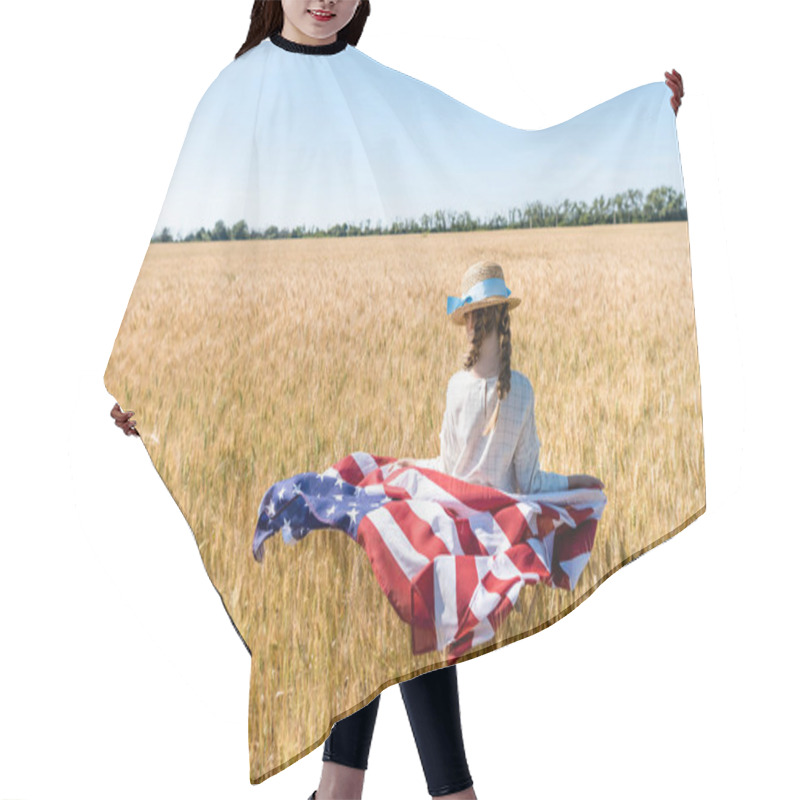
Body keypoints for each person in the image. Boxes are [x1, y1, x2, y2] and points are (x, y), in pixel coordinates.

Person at [108, 3, 683, 798]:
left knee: (389, 594)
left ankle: (352, 789)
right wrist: (153, 377)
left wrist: (637, 130)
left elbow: (492, 162)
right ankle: (415, 790)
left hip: (368, 389)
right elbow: (189, 244)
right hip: (282, 383)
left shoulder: (378, 89)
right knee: (387, 598)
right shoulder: (237, 93)